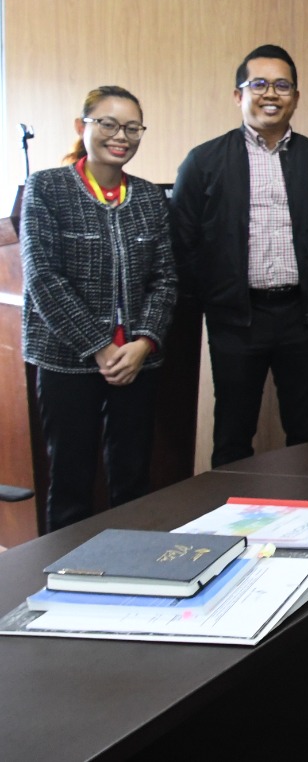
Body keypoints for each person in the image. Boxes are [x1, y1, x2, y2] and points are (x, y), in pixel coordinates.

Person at [20, 86, 178, 532]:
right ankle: (64, 571)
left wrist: (144, 342)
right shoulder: (47, 188)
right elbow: (43, 278)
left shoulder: (148, 197)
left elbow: (165, 279)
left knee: (133, 480)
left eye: (132, 128)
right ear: (82, 126)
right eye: (108, 124)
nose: (120, 136)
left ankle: (129, 566)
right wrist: (98, 346)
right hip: (68, 361)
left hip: (136, 362)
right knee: (71, 482)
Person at [171, 45, 308, 467]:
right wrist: (213, 297)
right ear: (238, 95)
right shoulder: (203, 162)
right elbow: (182, 242)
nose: (271, 94)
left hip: (304, 317)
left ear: (296, 97)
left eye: (282, 85)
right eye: (258, 84)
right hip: (235, 320)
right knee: (232, 435)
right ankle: (230, 513)